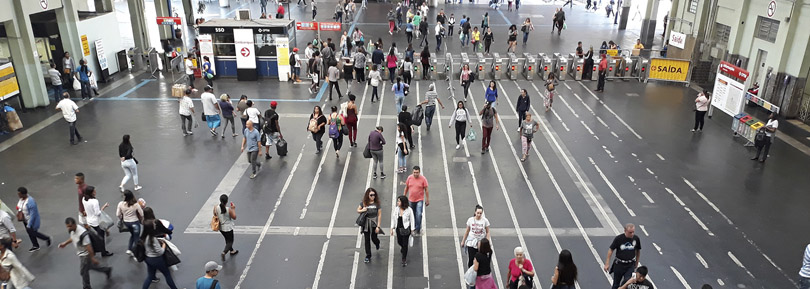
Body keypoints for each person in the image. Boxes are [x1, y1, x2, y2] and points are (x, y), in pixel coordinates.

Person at [59, 217, 112, 289]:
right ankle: (106, 270)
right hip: (81, 253)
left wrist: (92, 258)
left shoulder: (82, 234)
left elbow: (89, 246)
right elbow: (73, 238)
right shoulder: (73, 230)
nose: (69, 228)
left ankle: (86, 287)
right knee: (90, 267)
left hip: (85, 255)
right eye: (67, 227)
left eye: (70, 226)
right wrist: (65, 243)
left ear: (74, 224)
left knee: (83, 271)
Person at [141, 218, 179, 289]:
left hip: (148, 258)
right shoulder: (153, 239)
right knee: (167, 275)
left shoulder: (144, 237)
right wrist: (164, 245)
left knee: (150, 276)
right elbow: (160, 252)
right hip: (157, 259)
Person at [604, 223, 642, 289]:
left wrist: (637, 262)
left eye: (633, 232)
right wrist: (607, 263)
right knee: (616, 284)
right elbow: (611, 250)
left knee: (628, 282)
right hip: (619, 264)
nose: (632, 234)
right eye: (630, 232)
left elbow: (638, 251)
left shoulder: (636, 239)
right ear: (625, 231)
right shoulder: (619, 239)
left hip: (630, 265)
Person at [16, 187, 51, 252]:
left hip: (31, 221)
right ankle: (35, 245)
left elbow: (33, 214)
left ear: (23, 194)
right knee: (30, 233)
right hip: (25, 220)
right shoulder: (21, 199)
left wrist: (29, 224)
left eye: (19, 194)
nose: (18, 195)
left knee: (32, 232)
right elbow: (19, 207)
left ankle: (46, 238)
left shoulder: (30, 201)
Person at [81, 186, 113, 256]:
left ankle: (94, 250)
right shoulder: (94, 201)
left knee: (93, 237)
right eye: (94, 191)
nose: (95, 192)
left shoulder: (84, 199)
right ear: (91, 193)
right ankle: (103, 252)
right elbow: (97, 213)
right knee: (101, 237)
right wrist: (102, 209)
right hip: (96, 222)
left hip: (89, 220)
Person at [358, 188, 382, 263]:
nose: (373, 196)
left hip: (374, 222)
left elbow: (379, 215)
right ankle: (368, 255)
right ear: (367, 195)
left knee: (374, 237)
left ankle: (377, 243)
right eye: (371, 195)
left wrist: (378, 226)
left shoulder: (377, 204)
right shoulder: (364, 203)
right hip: (366, 223)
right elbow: (358, 210)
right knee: (367, 239)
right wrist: (363, 210)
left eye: (374, 195)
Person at [116, 190, 143, 258]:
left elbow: (118, 214)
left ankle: (129, 249)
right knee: (136, 237)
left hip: (126, 223)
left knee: (132, 235)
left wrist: (121, 217)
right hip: (135, 223)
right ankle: (136, 253)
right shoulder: (135, 205)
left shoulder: (121, 204)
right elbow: (141, 214)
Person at [403, 166, 429, 235]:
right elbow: (406, 187)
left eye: (417, 173)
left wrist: (427, 199)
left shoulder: (423, 179)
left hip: (419, 200)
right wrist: (404, 197)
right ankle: (413, 227)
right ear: (412, 172)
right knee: (412, 214)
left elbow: (426, 189)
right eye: (414, 172)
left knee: (419, 214)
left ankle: (417, 228)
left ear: (419, 172)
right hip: (411, 200)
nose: (415, 174)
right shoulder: (409, 178)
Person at [391, 195, 415, 266]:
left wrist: (412, 229)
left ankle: (404, 258)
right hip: (398, 228)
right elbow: (393, 218)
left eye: (399, 201)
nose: (397, 202)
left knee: (405, 244)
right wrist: (392, 228)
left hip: (406, 228)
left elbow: (412, 219)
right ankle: (403, 248)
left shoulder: (409, 210)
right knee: (399, 241)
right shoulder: (396, 209)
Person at [214, 194, 238, 260]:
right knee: (230, 241)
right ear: (227, 201)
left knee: (227, 239)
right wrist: (233, 209)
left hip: (221, 227)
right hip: (228, 228)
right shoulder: (228, 209)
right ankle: (224, 252)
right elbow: (234, 217)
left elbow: (215, 214)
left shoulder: (216, 207)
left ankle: (232, 250)